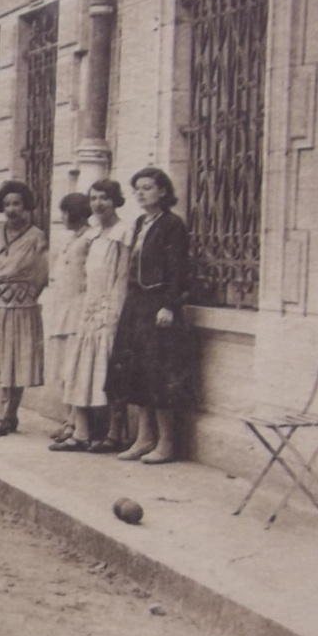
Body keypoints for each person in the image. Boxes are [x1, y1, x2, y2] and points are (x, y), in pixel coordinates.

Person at [105, 167, 196, 464]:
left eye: (147, 187)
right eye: (137, 189)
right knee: (137, 373)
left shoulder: (172, 225)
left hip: (160, 307)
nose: (141, 193)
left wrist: (169, 305)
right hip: (138, 305)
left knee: (159, 376)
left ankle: (166, 443)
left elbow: (178, 270)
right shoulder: (142, 222)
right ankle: (144, 438)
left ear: (163, 192)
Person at [61, 179, 133, 453]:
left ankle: (115, 434)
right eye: (94, 198)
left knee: (109, 370)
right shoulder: (92, 236)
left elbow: (123, 275)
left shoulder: (123, 232)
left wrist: (114, 310)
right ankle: (81, 432)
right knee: (81, 368)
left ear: (115, 200)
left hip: (109, 308)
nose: (98, 204)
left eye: (104, 198)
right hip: (88, 307)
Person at [0, 180, 48, 438]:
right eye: (7, 204)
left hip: (21, 305)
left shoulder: (36, 236)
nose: (11, 209)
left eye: (16, 203)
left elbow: (41, 274)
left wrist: (24, 295)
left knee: (17, 360)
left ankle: (11, 414)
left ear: (26, 205)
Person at [43, 192, 94, 446]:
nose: (62, 217)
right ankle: (68, 420)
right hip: (63, 310)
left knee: (75, 370)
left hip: (78, 311)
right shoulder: (69, 240)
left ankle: (77, 424)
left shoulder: (89, 239)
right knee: (64, 370)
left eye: (66, 212)